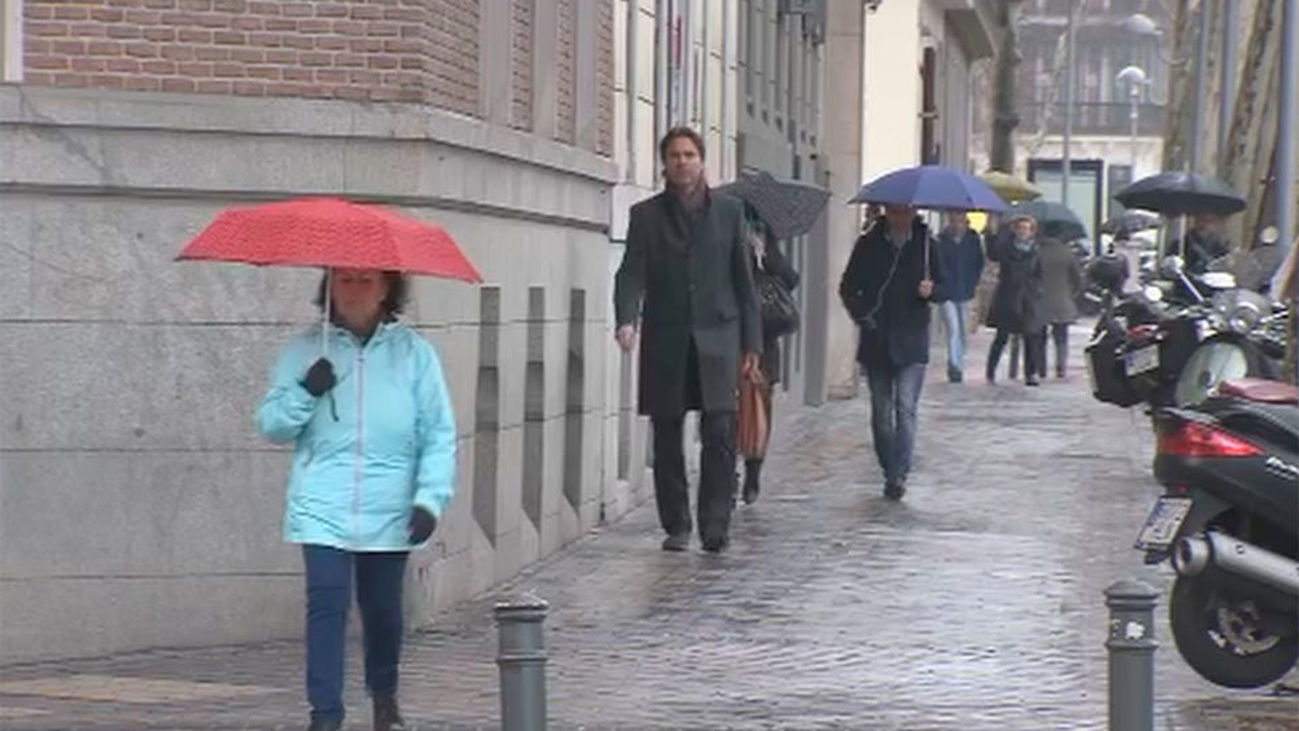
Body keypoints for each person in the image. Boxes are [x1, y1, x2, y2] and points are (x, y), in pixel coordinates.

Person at [257, 268, 457, 731]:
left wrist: (429, 499)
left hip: (390, 505)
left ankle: (383, 692)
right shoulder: (306, 351)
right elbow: (271, 425)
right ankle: (325, 713)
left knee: (383, 612)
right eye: (343, 281)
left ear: (387, 288)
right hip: (321, 502)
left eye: (364, 281)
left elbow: (439, 434)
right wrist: (306, 391)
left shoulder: (415, 356)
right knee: (326, 603)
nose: (352, 291)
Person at [613, 127, 762, 553]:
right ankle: (676, 523)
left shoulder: (730, 212)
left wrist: (751, 344)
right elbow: (631, 272)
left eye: (690, 154)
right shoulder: (646, 216)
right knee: (667, 432)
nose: (683, 162)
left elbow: (743, 282)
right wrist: (627, 318)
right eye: (675, 155)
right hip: (667, 337)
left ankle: (716, 525)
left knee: (720, 430)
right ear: (665, 163)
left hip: (719, 337)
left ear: (702, 161)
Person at [838, 204, 946, 500]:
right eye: (895, 212)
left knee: (906, 407)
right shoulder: (869, 244)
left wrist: (932, 290)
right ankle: (889, 467)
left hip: (911, 339)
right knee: (881, 413)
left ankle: (899, 473)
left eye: (906, 212)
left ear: (913, 213)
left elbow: (945, 286)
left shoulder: (926, 245)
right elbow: (847, 287)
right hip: (877, 337)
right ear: (887, 212)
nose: (900, 217)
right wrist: (862, 314)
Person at [740, 207, 800, 505]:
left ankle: (753, 470)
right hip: (731, 335)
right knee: (727, 408)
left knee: (761, 406)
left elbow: (791, 278)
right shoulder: (723, 234)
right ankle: (727, 468)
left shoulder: (767, 239)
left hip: (764, 339)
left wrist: (766, 257)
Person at [986, 215, 1045, 386]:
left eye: (1026, 229)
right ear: (1015, 230)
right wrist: (990, 232)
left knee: (1030, 336)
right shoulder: (1006, 247)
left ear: (1031, 232)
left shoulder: (1036, 250)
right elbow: (993, 254)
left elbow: (1040, 274)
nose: (1022, 232)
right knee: (1002, 336)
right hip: (1008, 296)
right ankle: (991, 371)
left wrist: (1036, 290)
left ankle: (1031, 373)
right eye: (1020, 228)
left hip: (1028, 298)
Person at [933, 211, 985, 383]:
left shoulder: (972, 239)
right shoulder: (941, 240)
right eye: (954, 221)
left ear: (966, 222)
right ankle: (955, 366)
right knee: (953, 328)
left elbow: (979, 263)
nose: (957, 225)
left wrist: (974, 283)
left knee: (962, 329)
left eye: (960, 221)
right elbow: (936, 264)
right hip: (946, 291)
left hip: (965, 290)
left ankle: (958, 361)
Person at [1035, 236, 1084, 379]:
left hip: (1040, 300)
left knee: (1040, 337)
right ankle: (1061, 368)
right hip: (1062, 300)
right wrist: (1071, 294)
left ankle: (1041, 368)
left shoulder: (1037, 252)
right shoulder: (1067, 253)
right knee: (1061, 337)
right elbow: (1078, 279)